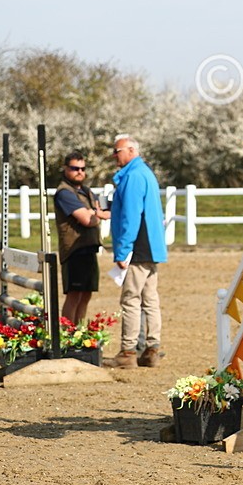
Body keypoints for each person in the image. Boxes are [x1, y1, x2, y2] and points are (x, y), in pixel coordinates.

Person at [109, 135, 168, 368]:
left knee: (131, 299)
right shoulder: (146, 173)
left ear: (131, 150)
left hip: (138, 247)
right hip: (152, 246)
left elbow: (130, 217)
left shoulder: (132, 176)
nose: (115, 155)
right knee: (150, 299)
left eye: (118, 151)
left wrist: (123, 250)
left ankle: (128, 350)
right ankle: (152, 348)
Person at [53, 151, 110, 324]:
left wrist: (96, 213)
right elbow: (87, 220)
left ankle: (79, 334)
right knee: (74, 295)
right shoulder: (64, 193)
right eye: (74, 168)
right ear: (65, 168)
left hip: (89, 248)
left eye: (83, 168)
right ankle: (67, 335)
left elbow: (97, 214)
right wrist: (98, 214)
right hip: (74, 251)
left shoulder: (86, 191)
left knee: (86, 295)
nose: (80, 172)